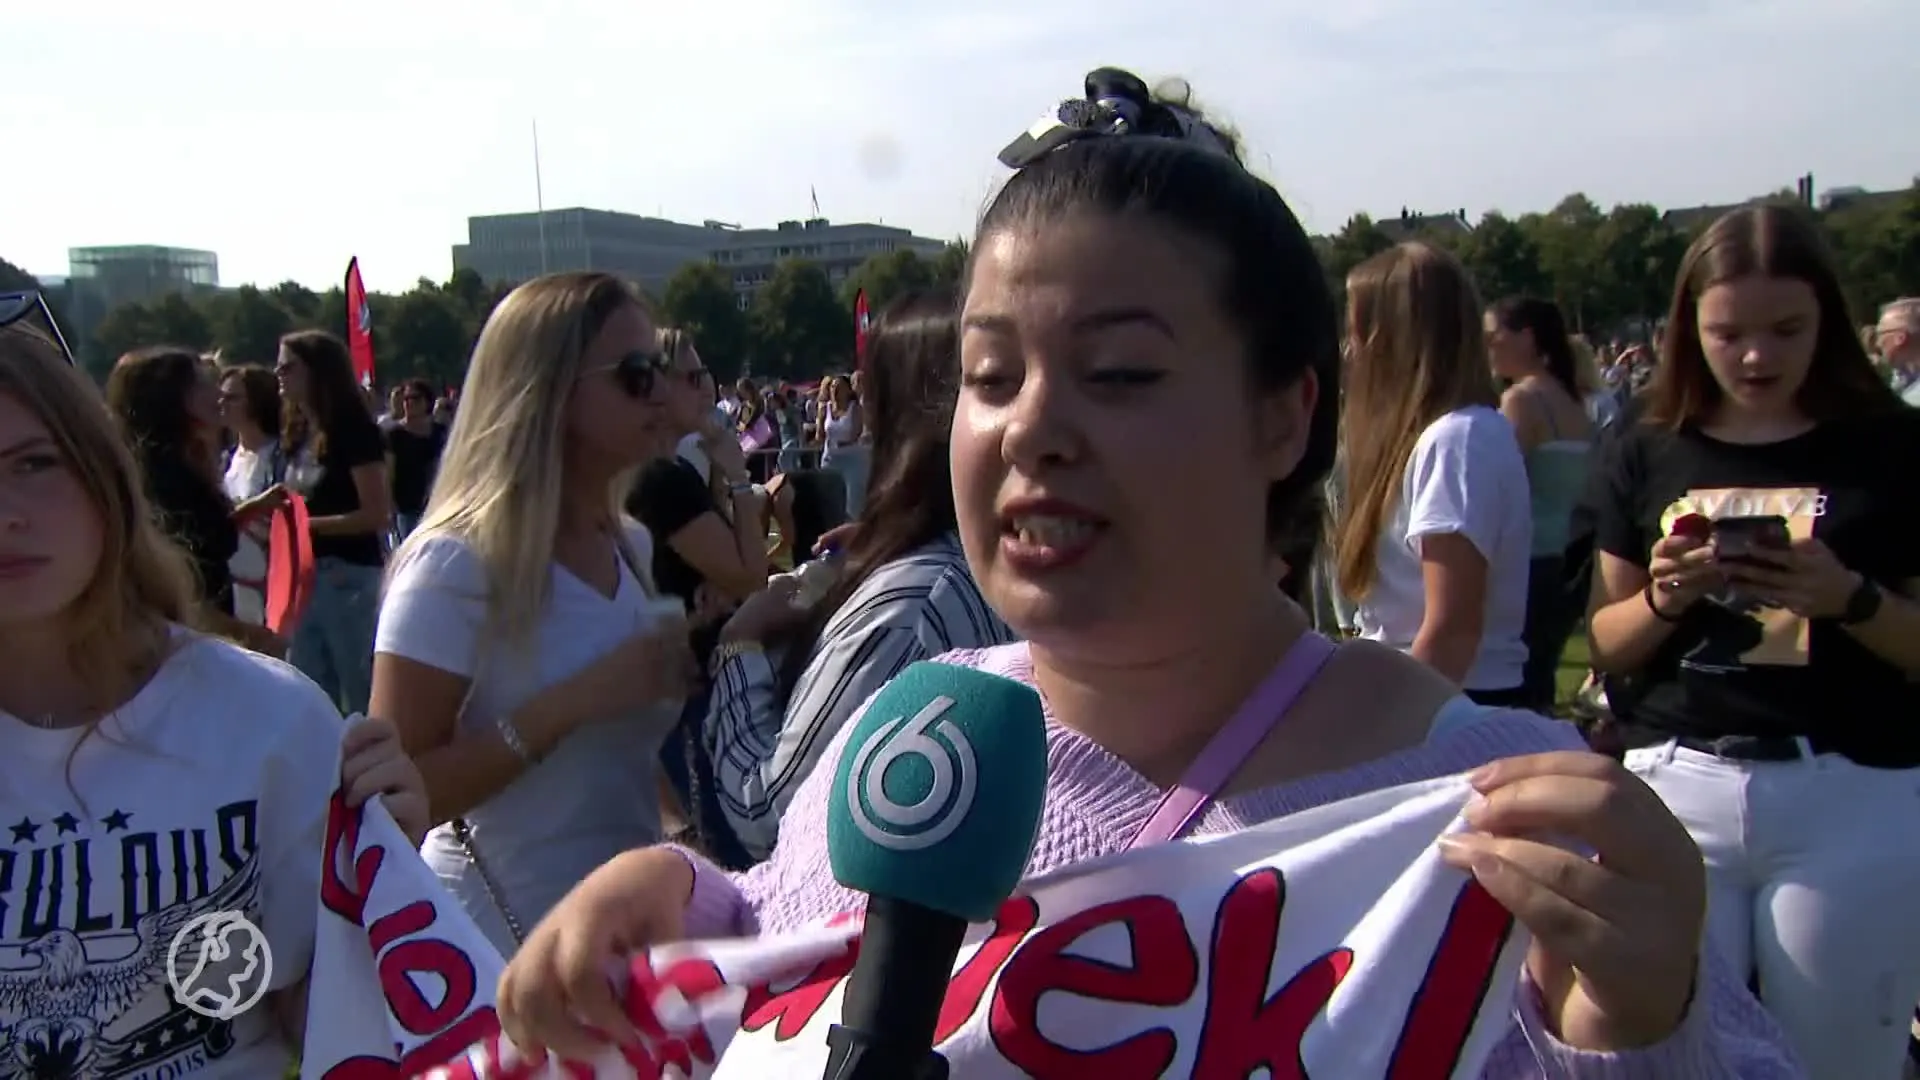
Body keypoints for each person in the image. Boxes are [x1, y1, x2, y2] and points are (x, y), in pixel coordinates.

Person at [495, 70, 1799, 1075]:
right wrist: (676, 895)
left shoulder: (1498, 819)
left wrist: (1637, 1024)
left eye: (1119, 371)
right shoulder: (912, 745)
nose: (1031, 430)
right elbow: (794, 951)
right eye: (989, 377)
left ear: (1283, 417)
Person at [0, 323, 429, 1078]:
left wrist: (383, 897)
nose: (5, 512)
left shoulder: (266, 722)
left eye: (33, 464)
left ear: (102, 479)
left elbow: (324, 1028)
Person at [1585, 203, 1920, 1077]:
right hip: (1680, 784)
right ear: (1690, 329)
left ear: (1828, 324)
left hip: (1849, 790)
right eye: (1728, 332)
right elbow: (1609, 641)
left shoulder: (1891, 448)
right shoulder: (1647, 445)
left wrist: (1847, 598)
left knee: (1842, 1059)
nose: (1757, 356)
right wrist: (1663, 598)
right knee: (1687, 1056)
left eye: (1786, 329)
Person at [371, 272, 696, 956]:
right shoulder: (454, 566)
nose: (664, 393)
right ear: (547, 391)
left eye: (662, 370)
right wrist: (575, 702)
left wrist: (686, 845)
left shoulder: (629, 544)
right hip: (496, 948)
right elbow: (391, 804)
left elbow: (622, 755)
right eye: (637, 374)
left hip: (626, 940)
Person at [701, 288, 1016, 859]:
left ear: (894, 408)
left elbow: (771, 815)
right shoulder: (996, 563)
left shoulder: (909, 608)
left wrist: (737, 648)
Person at [1337, 245, 1534, 704]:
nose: (1349, 349)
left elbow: (1451, 631)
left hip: (1450, 705)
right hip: (1420, 693)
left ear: (1396, 339)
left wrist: (1385, 738)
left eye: (1358, 331)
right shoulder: (1439, 437)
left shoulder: (1459, 440)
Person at [107, 347, 286, 655]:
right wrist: (247, 635)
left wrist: (251, 508)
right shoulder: (162, 478)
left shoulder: (180, 463)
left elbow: (200, 536)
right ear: (174, 399)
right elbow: (174, 584)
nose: (217, 393)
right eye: (202, 384)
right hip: (186, 645)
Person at [1487, 296, 1595, 710]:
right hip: (1566, 563)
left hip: (1526, 565)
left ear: (1526, 337)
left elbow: (1498, 486)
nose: (1487, 347)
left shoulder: (1522, 401)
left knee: (1514, 691)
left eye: (1493, 336)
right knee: (1540, 683)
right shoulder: (1572, 400)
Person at [277, 330, 391, 714]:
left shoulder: (352, 429)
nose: (279, 373)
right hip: (304, 579)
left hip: (347, 578)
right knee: (309, 694)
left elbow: (377, 513)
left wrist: (308, 526)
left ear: (319, 371)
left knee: (359, 696)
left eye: (289, 366)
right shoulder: (299, 433)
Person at [384, 376, 447, 542]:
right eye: (406, 399)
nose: (409, 403)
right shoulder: (394, 435)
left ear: (427, 401)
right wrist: (390, 509)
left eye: (415, 398)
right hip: (407, 510)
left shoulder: (440, 432)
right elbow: (388, 475)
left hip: (438, 505)